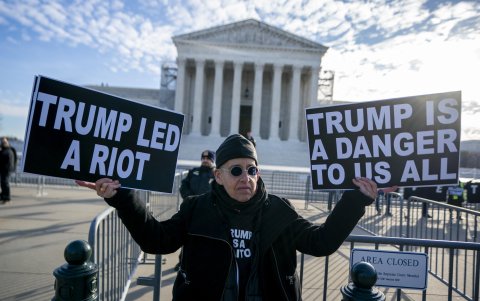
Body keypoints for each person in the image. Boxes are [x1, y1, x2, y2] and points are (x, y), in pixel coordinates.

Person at [77, 134, 397, 300]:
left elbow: (322, 242)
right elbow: (156, 240)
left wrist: (357, 199)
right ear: (218, 175)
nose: (246, 177)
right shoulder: (196, 208)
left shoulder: (278, 210)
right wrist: (121, 198)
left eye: (252, 169)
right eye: (236, 170)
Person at [175, 149, 216, 270]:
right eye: (203, 158)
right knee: (187, 237)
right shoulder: (193, 172)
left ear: (213, 161)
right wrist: (190, 198)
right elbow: (184, 186)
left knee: (206, 239)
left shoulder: (216, 174)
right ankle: (182, 262)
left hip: (208, 211)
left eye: (208, 159)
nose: (205, 161)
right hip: (191, 209)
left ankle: (203, 264)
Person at [0, 137, 16, 203]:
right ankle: (3, 195)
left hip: (7, 169)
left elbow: (11, 159)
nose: (4, 143)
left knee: (5, 182)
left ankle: (7, 197)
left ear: (7, 142)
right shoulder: (3, 149)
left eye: (5, 142)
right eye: (3, 142)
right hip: (3, 168)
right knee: (3, 182)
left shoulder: (9, 150)